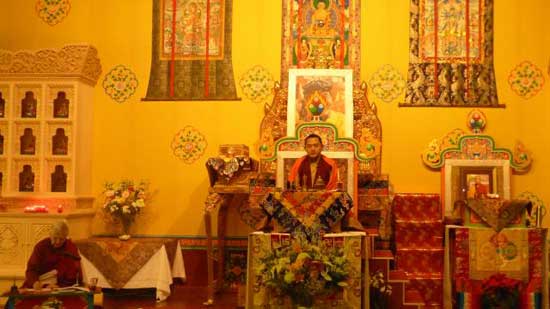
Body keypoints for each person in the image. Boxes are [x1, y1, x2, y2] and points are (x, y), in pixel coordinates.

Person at [22, 220, 82, 289]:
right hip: (40, 285)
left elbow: (74, 273)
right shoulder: (41, 246)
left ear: (66, 237)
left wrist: (60, 287)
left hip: (62, 288)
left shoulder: (71, 248)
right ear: (50, 235)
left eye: (61, 239)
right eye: (55, 238)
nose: (58, 242)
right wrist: (36, 283)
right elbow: (31, 269)